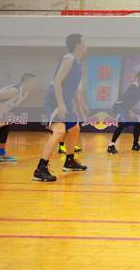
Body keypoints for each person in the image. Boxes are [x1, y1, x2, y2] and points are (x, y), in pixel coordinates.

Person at [33, 34, 88, 182]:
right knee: (59, 131)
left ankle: (69, 161)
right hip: (55, 101)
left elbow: (73, 89)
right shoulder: (68, 59)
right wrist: (61, 103)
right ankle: (40, 169)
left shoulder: (78, 63)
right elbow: (57, 81)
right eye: (84, 42)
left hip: (66, 101)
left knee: (74, 129)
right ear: (77, 45)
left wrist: (77, 106)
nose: (86, 45)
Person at [107, 70, 140, 154]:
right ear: (139, 77)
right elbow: (125, 99)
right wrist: (130, 111)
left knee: (137, 124)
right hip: (119, 107)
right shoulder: (133, 86)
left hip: (126, 108)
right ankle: (111, 146)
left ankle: (135, 145)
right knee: (122, 124)